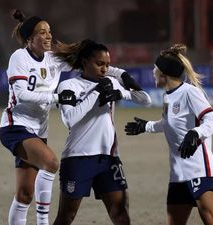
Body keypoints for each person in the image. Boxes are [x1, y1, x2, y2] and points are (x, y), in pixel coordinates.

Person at [0, 10, 130, 225]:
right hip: (16, 125)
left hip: (38, 130)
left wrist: (119, 73)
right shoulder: (19, 57)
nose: (49, 36)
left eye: (49, 31)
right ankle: (43, 222)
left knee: (24, 195)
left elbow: (88, 62)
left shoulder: (53, 59)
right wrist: (56, 97)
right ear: (30, 38)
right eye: (42, 32)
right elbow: (21, 94)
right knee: (50, 163)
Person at [52, 39, 151, 225]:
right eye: (99, 64)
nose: (104, 69)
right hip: (78, 158)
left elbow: (145, 99)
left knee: (121, 214)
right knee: (66, 217)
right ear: (84, 62)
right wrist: (96, 92)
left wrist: (123, 83)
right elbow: (69, 118)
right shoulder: (69, 86)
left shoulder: (111, 82)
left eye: (107, 65)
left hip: (109, 158)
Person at [124, 44, 213, 225]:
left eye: (155, 69)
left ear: (163, 74)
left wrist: (195, 133)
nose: (152, 72)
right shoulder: (168, 96)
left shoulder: (190, 93)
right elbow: (167, 124)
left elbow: (212, 121)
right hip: (178, 174)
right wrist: (146, 126)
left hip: (200, 171)